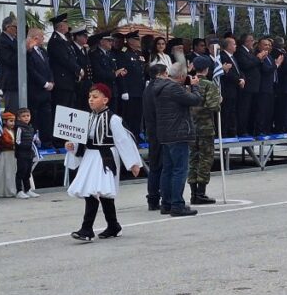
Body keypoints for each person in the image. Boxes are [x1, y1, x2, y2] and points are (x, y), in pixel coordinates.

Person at [65, 84, 143, 241]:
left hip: (105, 157)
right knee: (100, 192)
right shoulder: (87, 118)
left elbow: (124, 141)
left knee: (94, 191)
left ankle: (86, 229)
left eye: (95, 97)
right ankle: (113, 226)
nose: (91, 100)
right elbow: (81, 140)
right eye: (90, 97)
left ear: (105, 100)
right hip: (90, 157)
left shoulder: (113, 119)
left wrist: (133, 163)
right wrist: (73, 146)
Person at [147, 62, 202, 216]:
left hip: (165, 133)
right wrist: (195, 86)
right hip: (178, 133)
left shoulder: (160, 88)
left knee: (168, 170)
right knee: (180, 170)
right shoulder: (173, 88)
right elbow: (195, 99)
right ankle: (177, 204)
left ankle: (166, 203)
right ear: (180, 76)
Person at [189, 56, 221, 205]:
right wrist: (219, 100)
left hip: (190, 127)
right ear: (207, 69)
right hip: (205, 127)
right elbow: (213, 106)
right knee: (205, 159)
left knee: (192, 160)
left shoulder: (187, 83)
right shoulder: (209, 85)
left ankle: (193, 192)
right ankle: (200, 193)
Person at [48, 13, 83, 123]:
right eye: (66, 23)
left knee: (69, 110)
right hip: (62, 82)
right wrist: (78, 69)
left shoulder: (64, 40)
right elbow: (64, 59)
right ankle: (59, 139)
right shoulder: (56, 40)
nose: (68, 26)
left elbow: (71, 58)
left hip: (68, 81)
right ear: (61, 26)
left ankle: (66, 139)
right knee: (62, 111)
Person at [142, 63, 167, 211]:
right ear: (161, 74)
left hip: (151, 129)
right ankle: (165, 197)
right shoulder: (160, 88)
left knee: (154, 166)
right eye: (165, 74)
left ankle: (152, 198)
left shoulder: (148, 88)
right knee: (164, 166)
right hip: (162, 129)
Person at [115, 30, 147, 139]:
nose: (139, 41)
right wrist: (124, 90)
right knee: (129, 116)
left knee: (138, 115)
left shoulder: (138, 53)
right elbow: (122, 73)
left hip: (139, 90)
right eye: (136, 39)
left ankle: (136, 135)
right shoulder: (123, 53)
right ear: (129, 41)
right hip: (130, 90)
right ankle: (128, 136)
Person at [25, 28, 54, 143]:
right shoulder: (29, 52)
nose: (43, 39)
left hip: (46, 91)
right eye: (42, 37)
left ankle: (47, 141)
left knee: (46, 117)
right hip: (35, 90)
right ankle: (35, 142)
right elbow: (31, 70)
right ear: (35, 38)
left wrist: (51, 81)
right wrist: (44, 83)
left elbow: (49, 67)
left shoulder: (43, 51)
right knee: (35, 117)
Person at [235, 34, 261, 137]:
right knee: (244, 109)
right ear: (246, 42)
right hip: (247, 85)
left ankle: (250, 130)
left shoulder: (250, 52)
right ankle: (242, 130)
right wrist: (258, 58)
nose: (253, 43)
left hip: (253, 85)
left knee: (251, 109)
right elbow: (245, 65)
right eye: (251, 40)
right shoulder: (241, 52)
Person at [0, 17, 20, 112]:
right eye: (16, 27)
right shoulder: (2, 42)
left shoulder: (14, 40)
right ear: (8, 27)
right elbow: (11, 60)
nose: (17, 30)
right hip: (10, 83)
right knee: (12, 111)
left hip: (17, 82)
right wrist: (24, 50)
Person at [13, 108, 39, 198]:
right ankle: (19, 191)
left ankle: (28, 190)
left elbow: (32, 140)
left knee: (28, 172)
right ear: (19, 118)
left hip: (29, 153)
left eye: (28, 116)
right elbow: (17, 141)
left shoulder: (31, 128)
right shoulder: (19, 128)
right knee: (21, 172)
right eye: (23, 116)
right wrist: (25, 146)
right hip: (21, 153)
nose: (26, 118)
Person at [0, 112, 18, 198]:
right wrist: (15, 144)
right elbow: (5, 142)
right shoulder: (2, 131)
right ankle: (6, 191)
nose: (13, 123)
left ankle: (14, 189)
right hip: (6, 154)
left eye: (14, 121)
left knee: (12, 172)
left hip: (13, 154)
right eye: (11, 121)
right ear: (4, 121)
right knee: (6, 173)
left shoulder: (13, 131)